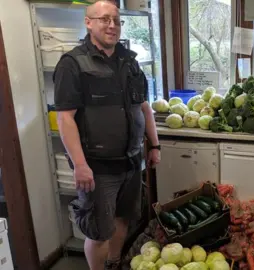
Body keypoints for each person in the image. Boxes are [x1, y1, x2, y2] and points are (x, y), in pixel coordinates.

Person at [53, 1, 160, 269]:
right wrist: (80, 165)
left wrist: (154, 145)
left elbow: (144, 108)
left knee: (123, 219)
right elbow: (64, 119)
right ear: (88, 22)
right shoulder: (73, 64)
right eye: (104, 19)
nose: (111, 25)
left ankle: (114, 263)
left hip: (131, 162)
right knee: (99, 231)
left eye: (116, 20)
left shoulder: (130, 61)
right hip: (97, 168)